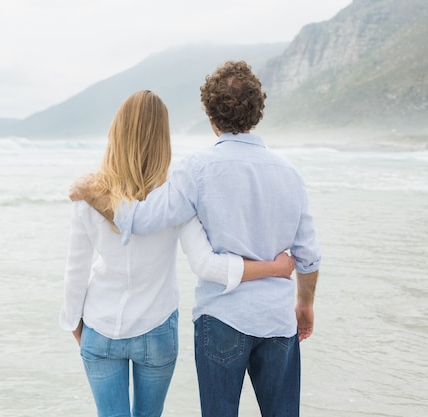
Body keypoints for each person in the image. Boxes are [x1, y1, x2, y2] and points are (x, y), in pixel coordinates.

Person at [72, 61, 321, 417]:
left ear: (209, 113)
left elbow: (139, 220)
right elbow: (309, 256)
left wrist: (91, 193)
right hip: (277, 318)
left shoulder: (197, 169)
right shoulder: (291, 174)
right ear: (257, 111)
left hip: (221, 318)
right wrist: (305, 304)